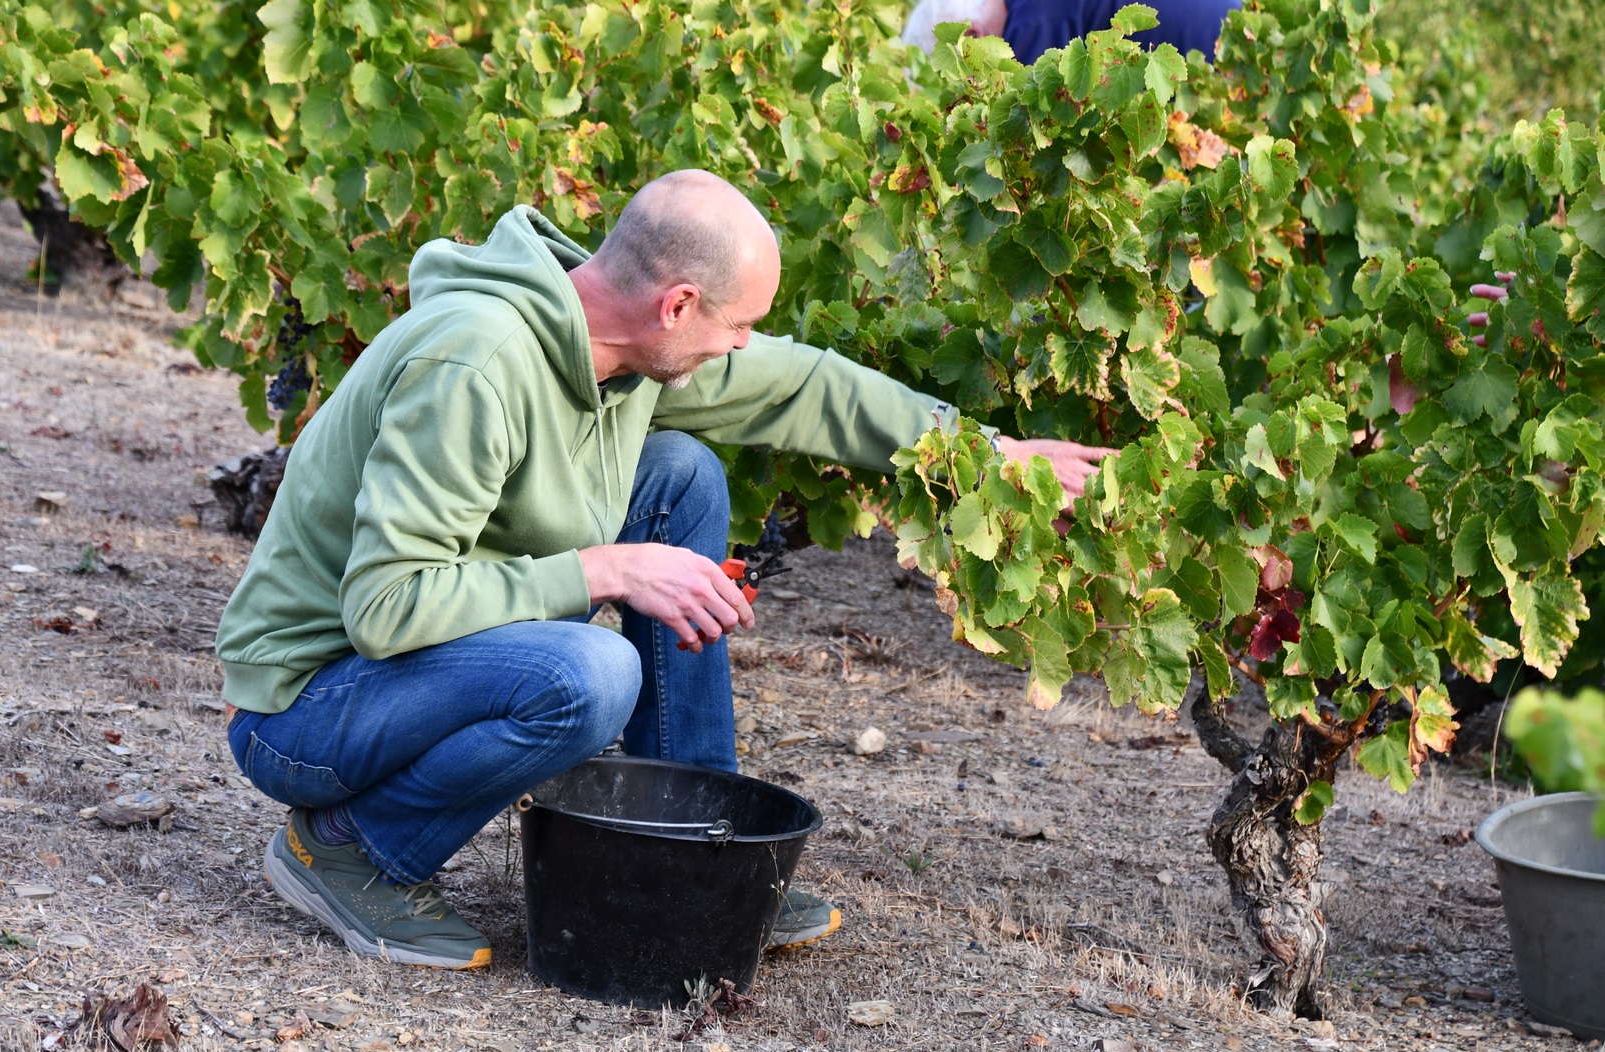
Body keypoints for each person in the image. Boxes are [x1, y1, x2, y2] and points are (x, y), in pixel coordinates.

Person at [216, 170, 1112, 970]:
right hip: (311, 708)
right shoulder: (475, 365)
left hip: (414, 668)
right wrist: (608, 568)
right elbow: (386, 605)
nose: (743, 345)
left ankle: (690, 840)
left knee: (681, 476)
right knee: (594, 675)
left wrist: (987, 455)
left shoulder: (625, 349)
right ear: (678, 305)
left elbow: (806, 387)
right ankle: (352, 849)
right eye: (739, 325)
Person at [903, 0, 1240, 65]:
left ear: (970, 38)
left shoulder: (1031, 27)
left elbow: (1039, 130)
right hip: (1231, 17)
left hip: (1211, 49)